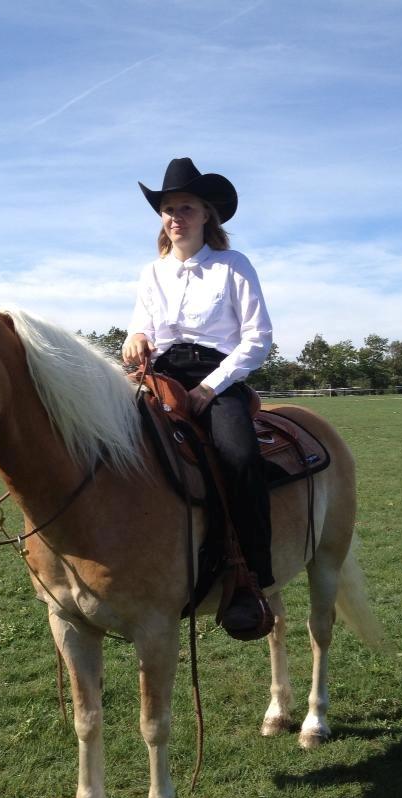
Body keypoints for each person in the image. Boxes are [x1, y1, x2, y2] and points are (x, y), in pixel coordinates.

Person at [122, 157, 274, 638]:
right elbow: (141, 326)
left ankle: (251, 578)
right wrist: (134, 339)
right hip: (161, 373)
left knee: (240, 455)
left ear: (207, 214)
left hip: (217, 376)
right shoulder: (151, 273)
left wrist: (211, 387)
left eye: (185, 207)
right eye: (168, 208)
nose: (175, 216)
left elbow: (258, 338)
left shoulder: (234, 266)